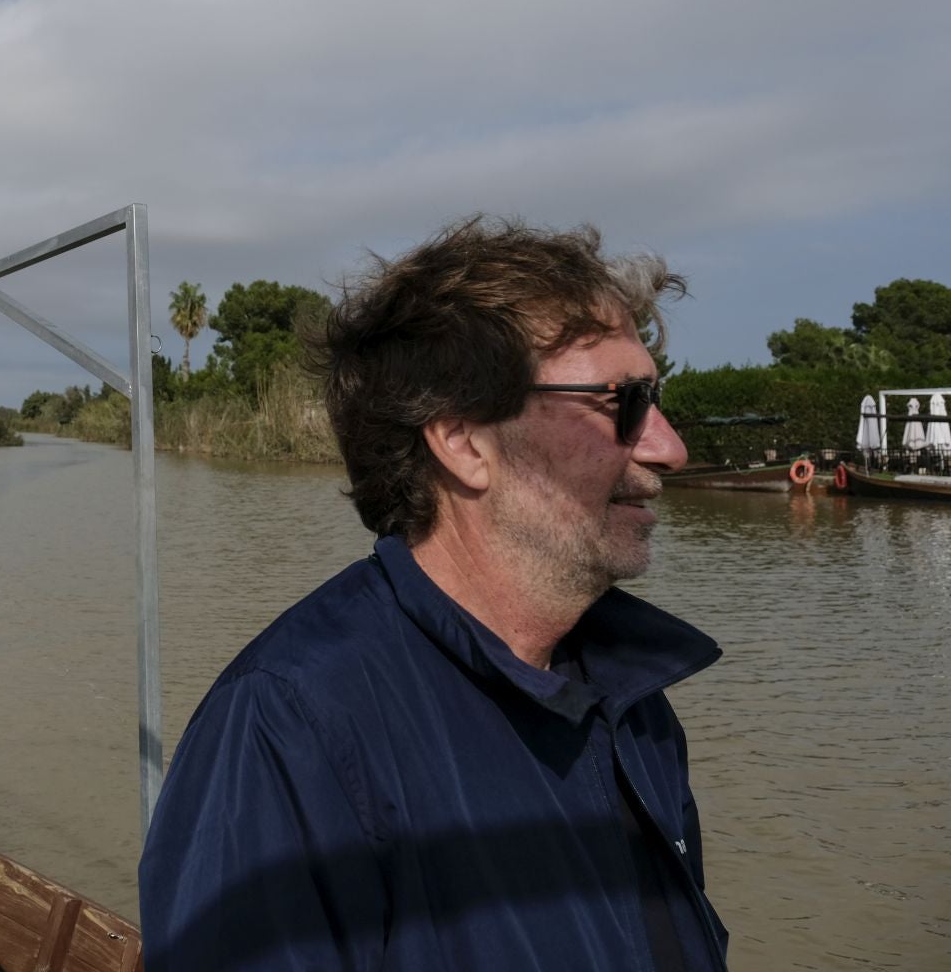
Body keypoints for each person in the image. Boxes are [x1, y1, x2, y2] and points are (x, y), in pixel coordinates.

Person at [139, 219, 728, 970]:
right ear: (462, 440)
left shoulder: (633, 701)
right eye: (623, 402)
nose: (668, 447)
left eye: (657, 398)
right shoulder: (290, 729)